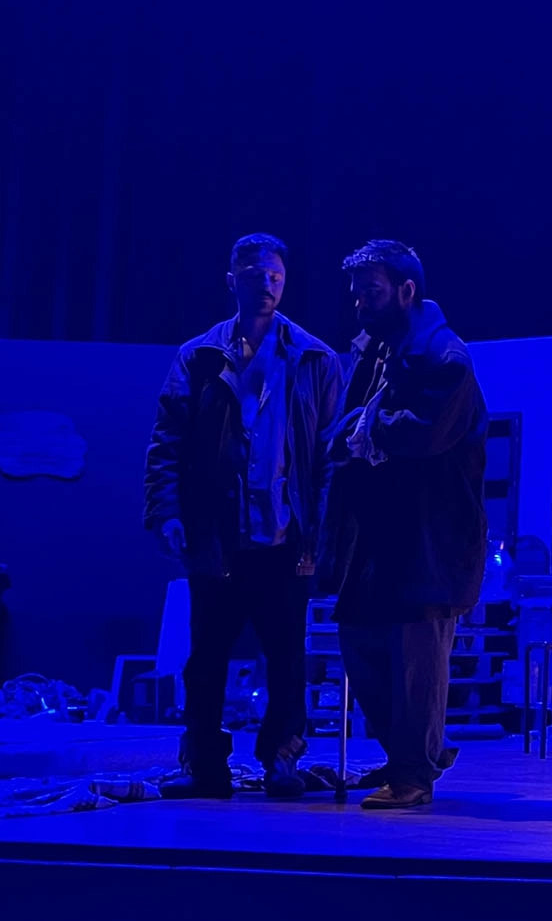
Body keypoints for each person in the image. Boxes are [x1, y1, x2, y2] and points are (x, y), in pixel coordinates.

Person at [144, 233, 344, 799]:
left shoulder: (314, 359)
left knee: (286, 658)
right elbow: (168, 442)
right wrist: (167, 512)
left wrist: (321, 531)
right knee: (206, 659)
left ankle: (282, 757)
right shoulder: (200, 356)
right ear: (233, 280)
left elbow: (330, 454)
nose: (268, 286)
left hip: (285, 538)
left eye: (276, 277)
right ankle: (205, 764)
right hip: (219, 538)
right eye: (257, 276)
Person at [318, 240, 488, 810]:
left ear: (405, 291)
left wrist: (367, 429)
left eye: (371, 292)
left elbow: (424, 434)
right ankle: (414, 755)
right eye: (356, 293)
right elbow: (354, 424)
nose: (359, 304)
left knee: (416, 661)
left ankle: (413, 773)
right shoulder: (380, 351)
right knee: (361, 640)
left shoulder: (443, 356)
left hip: (427, 540)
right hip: (379, 538)